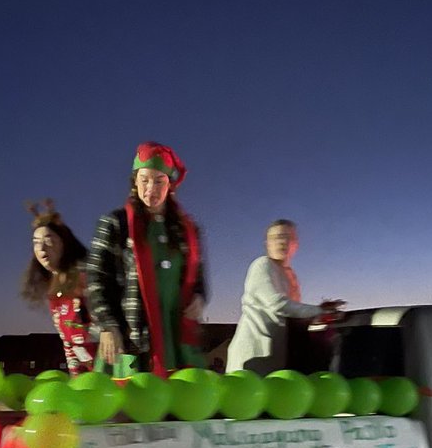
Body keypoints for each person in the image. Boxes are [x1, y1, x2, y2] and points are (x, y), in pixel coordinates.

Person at [87, 141, 207, 376]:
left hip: (176, 339)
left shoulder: (188, 231)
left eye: (159, 181)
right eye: (144, 180)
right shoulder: (115, 224)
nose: (150, 188)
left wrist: (199, 297)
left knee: (181, 405)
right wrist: (107, 325)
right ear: (135, 181)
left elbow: (199, 277)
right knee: (131, 403)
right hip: (131, 336)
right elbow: (96, 278)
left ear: (170, 185)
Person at [226, 219, 345, 376]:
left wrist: (320, 311)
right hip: (255, 354)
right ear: (267, 244)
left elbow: (293, 314)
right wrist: (318, 311)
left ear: (296, 244)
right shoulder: (262, 265)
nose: (282, 241)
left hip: (277, 355)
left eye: (287, 237)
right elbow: (277, 305)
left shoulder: (290, 276)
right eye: (276, 237)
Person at [21, 200, 96, 376]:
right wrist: (75, 375)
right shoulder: (53, 286)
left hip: (114, 367)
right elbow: (68, 340)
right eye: (36, 242)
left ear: (64, 242)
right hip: (88, 373)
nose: (41, 248)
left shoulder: (85, 274)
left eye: (48, 240)